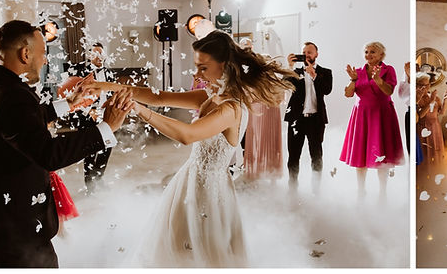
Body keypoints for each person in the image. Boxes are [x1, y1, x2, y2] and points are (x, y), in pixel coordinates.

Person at [87, 30, 294, 266]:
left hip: (210, 192)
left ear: (224, 66)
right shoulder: (210, 96)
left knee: (206, 254)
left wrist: (139, 110)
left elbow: (187, 135)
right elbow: (159, 97)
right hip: (189, 180)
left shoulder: (231, 108)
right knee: (179, 249)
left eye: (203, 68)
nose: (197, 74)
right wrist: (105, 86)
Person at [0, 20, 131, 268]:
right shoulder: (14, 95)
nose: (45, 60)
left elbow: (18, 124)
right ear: (25, 54)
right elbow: (49, 154)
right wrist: (105, 128)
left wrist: (68, 104)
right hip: (18, 225)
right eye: (43, 53)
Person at [341, 42, 405, 198]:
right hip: (361, 115)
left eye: (373, 52)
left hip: (382, 114)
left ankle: (382, 192)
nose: (368, 55)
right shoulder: (358, 71)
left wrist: (378, 80)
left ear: (381, 55)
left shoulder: (388, 70)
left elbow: (389, 91)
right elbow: (348, 94)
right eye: (366, 52)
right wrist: (352, 80)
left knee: (381, 152)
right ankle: (360, 190)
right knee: (360, 153)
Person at [65, 43, 113, 193]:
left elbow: (112, 92)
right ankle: (90, 185)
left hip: (104, 114)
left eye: (101, 54)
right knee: (90, 150)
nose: (99, 57)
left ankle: (98, 177)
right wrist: (89, 111)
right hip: (87, 116)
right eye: (96, 54)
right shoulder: (81, 72)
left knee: (108, 145)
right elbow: (74, 97)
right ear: (90, 56)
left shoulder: (109, 73)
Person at [283, 42, 333, 188]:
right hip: (296, 120)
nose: (306, 54)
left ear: (316, 54)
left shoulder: (326, 72)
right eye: (304, 52)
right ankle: (292, 187)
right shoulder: (295, 72)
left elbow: (327, 89)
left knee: (316, 155)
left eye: (310, 52)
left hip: (316, 120)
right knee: (293, 156)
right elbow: (284, 84)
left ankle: (316, 188)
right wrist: (289, 67)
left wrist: (314, 75)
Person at [415, 72, 447, 168]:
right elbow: (420, 115)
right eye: (421, 85)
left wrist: (445, 100)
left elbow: (441, 112)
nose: (425, 87)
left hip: (435, 128)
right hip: (423, 128)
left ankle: (437, 172)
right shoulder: (416, 98)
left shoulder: (434, 97)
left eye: (427, 84)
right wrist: (430, 102)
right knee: (425, 152)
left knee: (436, 150)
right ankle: (424, 176)